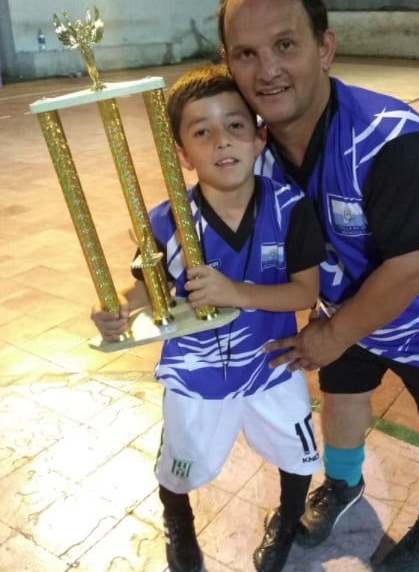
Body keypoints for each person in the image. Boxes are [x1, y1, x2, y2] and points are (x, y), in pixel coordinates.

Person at [218, 0, 419, 572]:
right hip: (345, 308)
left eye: (285, 45)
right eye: (246, 53)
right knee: (341, 397)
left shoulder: (391, 140)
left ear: (325, 48)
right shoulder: (256, 151)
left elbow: (413, 267)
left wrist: (332, 333)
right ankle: (343, 485)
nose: (266, 70)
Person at [91, 64, 325, 572]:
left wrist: (236, 292)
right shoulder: (166, 220)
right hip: (194, 374)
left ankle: (286, 521)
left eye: (236, 125)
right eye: (202, 131)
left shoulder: (290, 209)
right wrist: (120, 310)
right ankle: (179, 527)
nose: (222, 141)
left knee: (299, 453)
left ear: (260, 137)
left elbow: (305, 292)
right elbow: (147, 291)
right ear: (183, 155)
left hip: (272, 365)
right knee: (179, 464)